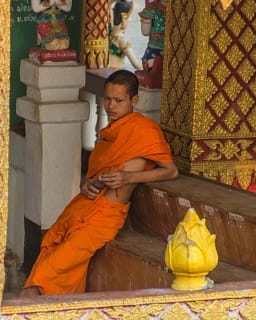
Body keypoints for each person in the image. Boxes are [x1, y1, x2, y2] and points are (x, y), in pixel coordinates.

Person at [19, 70, 178, 297]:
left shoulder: (145, 131)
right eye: (108, 99)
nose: (111, 106)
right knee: (50, 250)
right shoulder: (108, 133)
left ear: (134, 101)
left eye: (119, 100)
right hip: (83, 206)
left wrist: (129, 178)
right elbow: (94, 174)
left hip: (104, 218)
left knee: (47, 274)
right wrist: (86, 185)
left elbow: (170, 171)